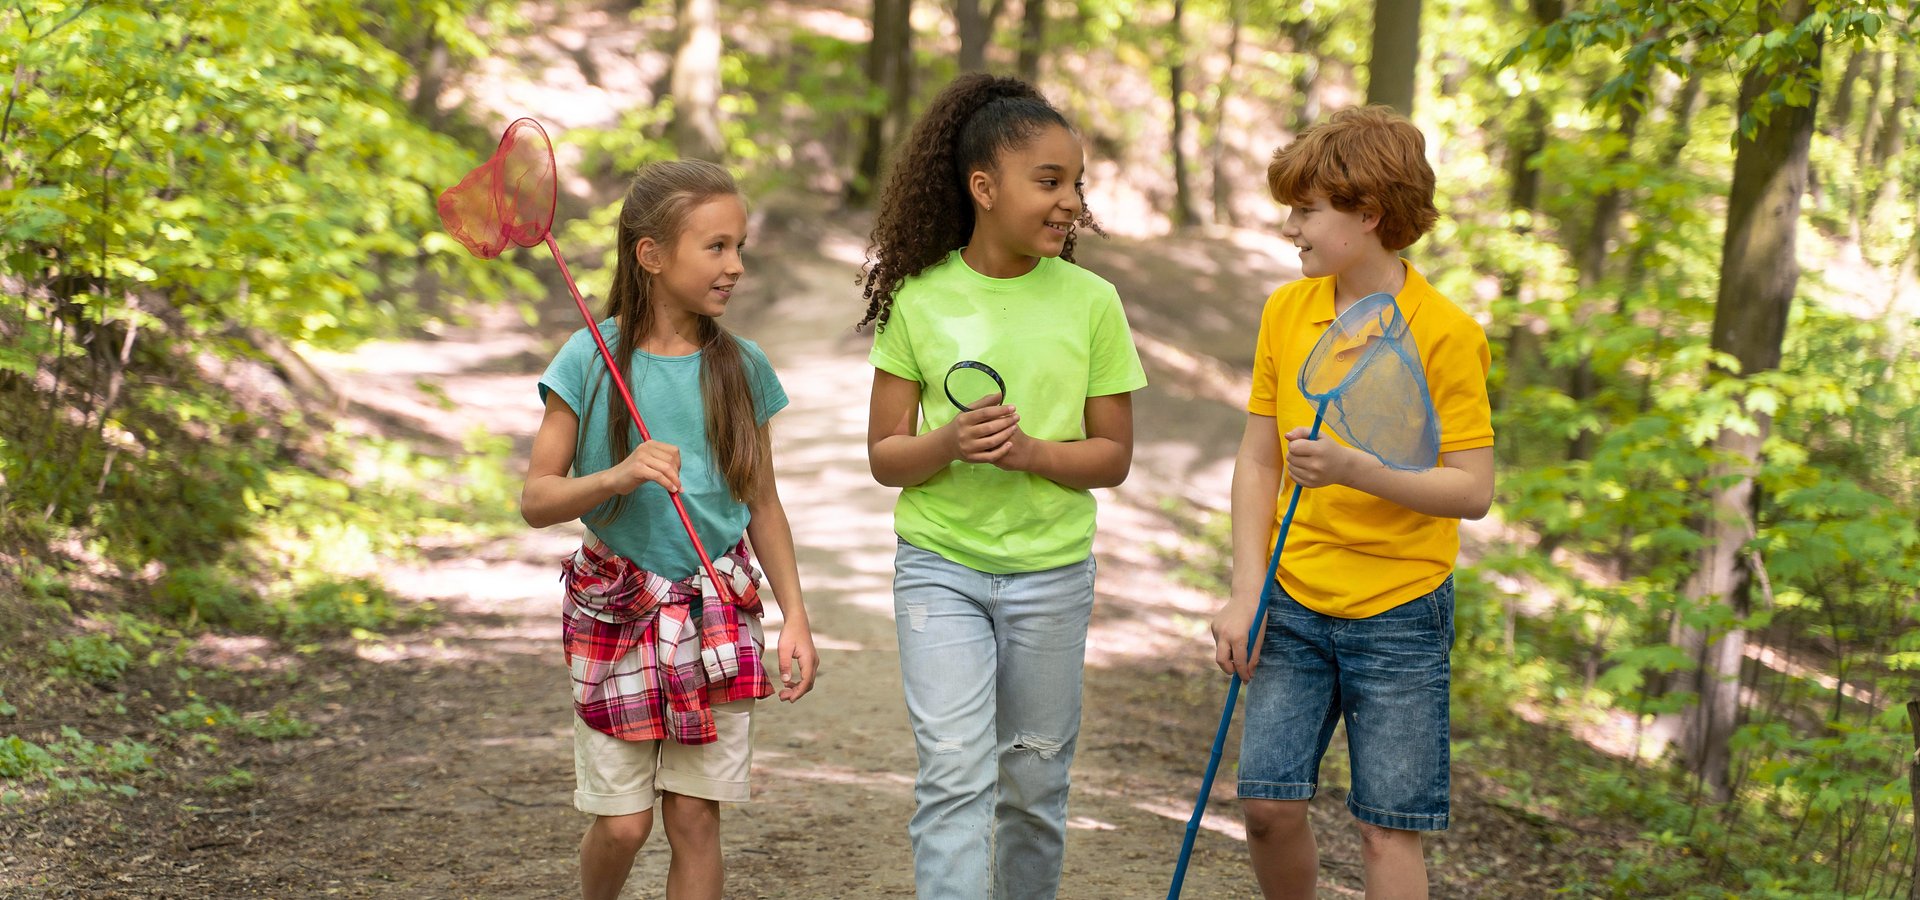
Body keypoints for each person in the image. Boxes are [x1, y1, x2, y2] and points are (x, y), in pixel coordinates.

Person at [858, 71, 1148, 900]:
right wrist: (947, 442)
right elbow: (885, 455)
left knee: (1033, 787)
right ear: (984, 188)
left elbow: (1113, 456)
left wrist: (1033, 455)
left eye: (1076, 183)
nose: (1069, 202)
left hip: (1051, 576)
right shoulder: (918, 300)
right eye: (1049, 182)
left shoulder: (1093, 302)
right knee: (953, 775)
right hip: (939, 569)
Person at [1210, 105, 1495, 900]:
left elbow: (1472, 490)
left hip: (1401, 610)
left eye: (1307, 210)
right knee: (1266, 806)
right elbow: (1257, 457)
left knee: (1383, 829)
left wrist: (1353, 469)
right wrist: (1246, 591)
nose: (1291, 228)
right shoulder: (1287, 311)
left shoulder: (1444, 333)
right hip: (1292, 597)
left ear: (1368, 214)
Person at [521, 158, 818, 900]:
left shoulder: (741, 368)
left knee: (694, 818)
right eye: (715, 247)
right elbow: (537, 499)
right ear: (651, 255)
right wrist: (616, 476)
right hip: (617, 606)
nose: (736, 266)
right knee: (623, 823)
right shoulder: (588, 360)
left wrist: (795, 618)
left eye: (739, 246)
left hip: (716, 605)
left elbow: (764, 504)